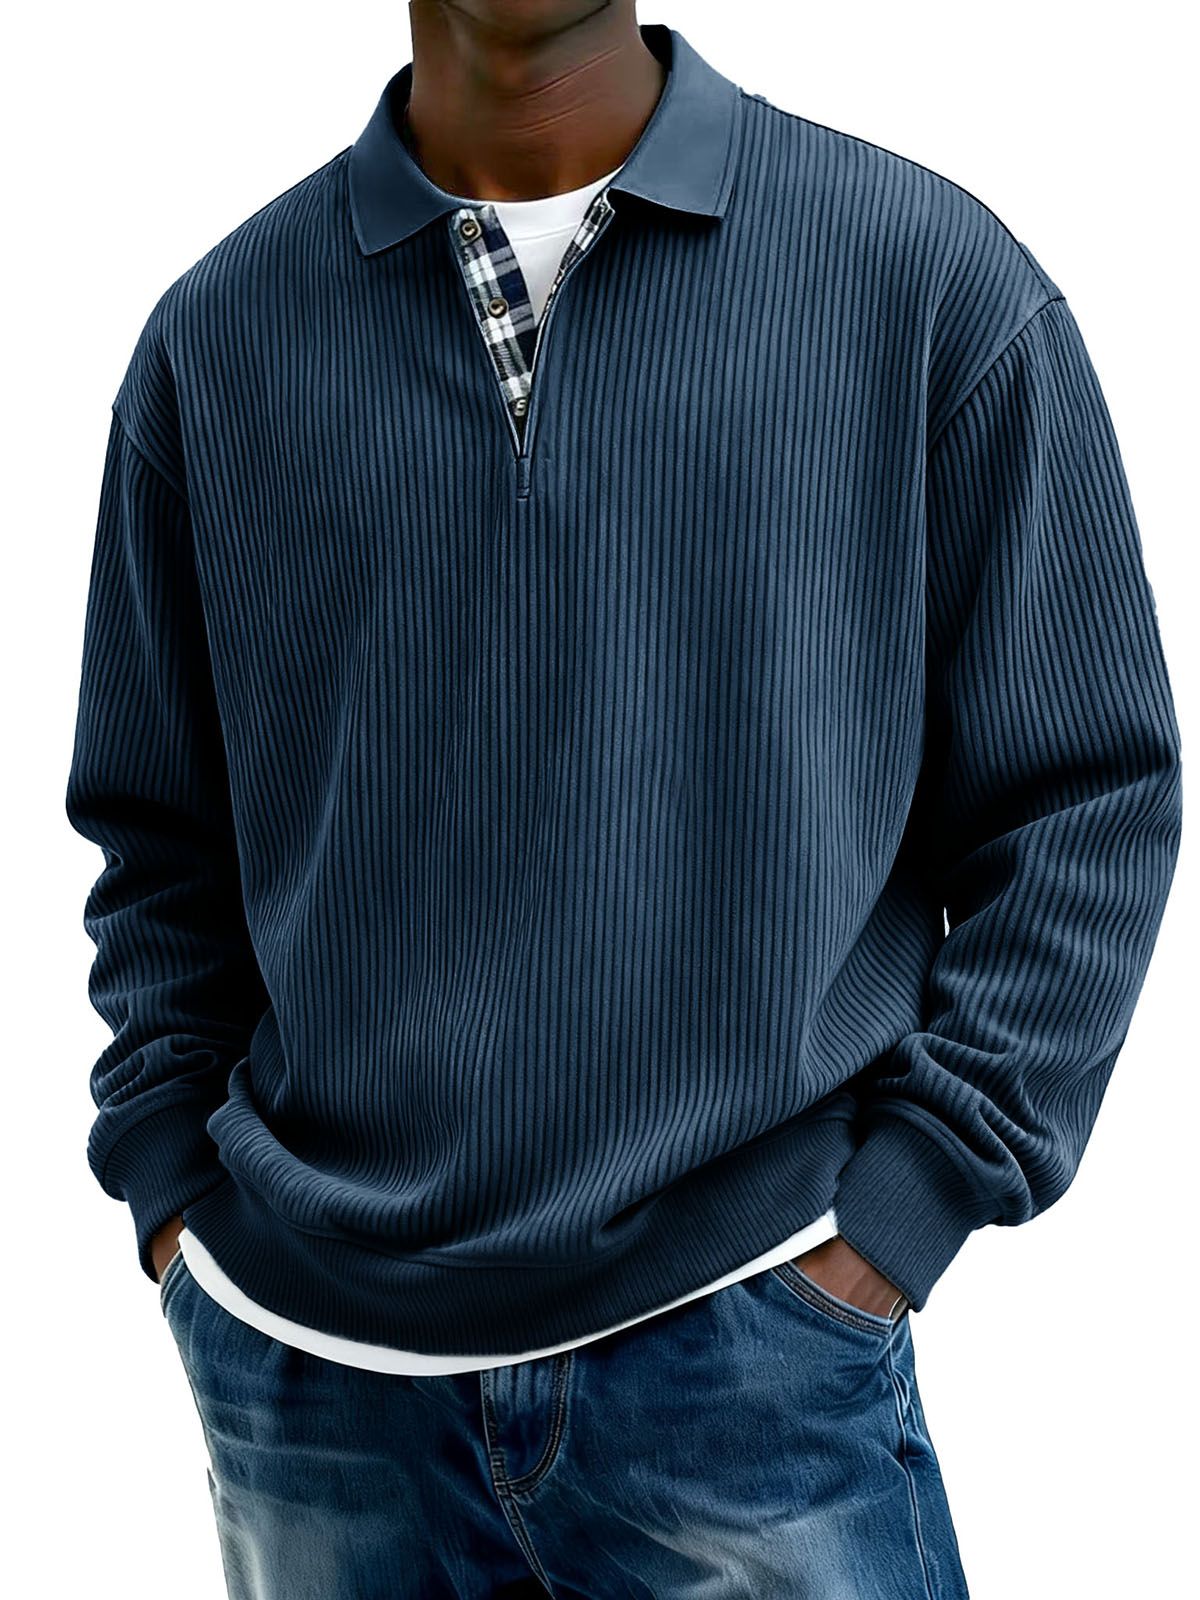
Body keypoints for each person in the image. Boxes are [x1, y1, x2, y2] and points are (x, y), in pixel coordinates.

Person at [64, 3, 1183, 1596]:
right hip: (314, 1387)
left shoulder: (925, 283)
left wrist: (910, 1206)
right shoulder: (216, 341)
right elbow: (158, 841)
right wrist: (178, 1202)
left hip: (756, 1338)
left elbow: (1086, 794)